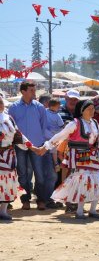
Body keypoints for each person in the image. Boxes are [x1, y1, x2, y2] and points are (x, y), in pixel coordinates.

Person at [42, 100, 99, 220]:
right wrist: (46, 147)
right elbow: (60, 136)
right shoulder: (74, 124)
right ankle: (79, 211)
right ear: (82, 111)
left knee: (98, 180)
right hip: (78, 157)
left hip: (93, 156)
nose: (92, 111)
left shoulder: (95, 123)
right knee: (84, 181)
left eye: (93, 108)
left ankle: (93, 210)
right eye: (89, 109)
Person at [8, 81, 58, 211]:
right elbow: (12, 128)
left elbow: (43, 126)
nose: (34, 92)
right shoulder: (13, 108)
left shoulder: (39, 107)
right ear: (23, 91)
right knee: (23, 174)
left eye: (34, 90)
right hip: (20, 147)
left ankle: (41, 199)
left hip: (37, 145)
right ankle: (26, 200)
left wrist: (41, 143)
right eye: (31, 90)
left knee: (40, 174)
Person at [0, 96, 42, 220]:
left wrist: (33, 147)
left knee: (8, 182)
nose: (0, 105)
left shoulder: (9, 118)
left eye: (1, 102)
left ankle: (3, 211)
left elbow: (19, 135)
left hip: (9, 155)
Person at [45, 98, 64, 173]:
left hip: (47, 133)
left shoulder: (45, 111)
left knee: (54, 150)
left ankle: (57, 163)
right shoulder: (57, 115)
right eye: (58, 106)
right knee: (55, 151)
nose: (59, 108)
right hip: (56, 134)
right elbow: (61, 125)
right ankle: (57, 163)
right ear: (52, 107)